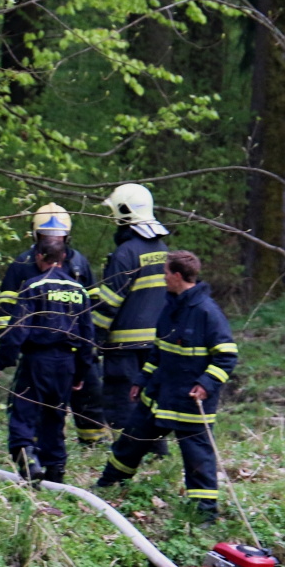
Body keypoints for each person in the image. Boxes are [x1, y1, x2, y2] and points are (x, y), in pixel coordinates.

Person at [94, 251, 237, 522]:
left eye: (166, 273)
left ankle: (204, 515)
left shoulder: (208, 312)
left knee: (198, 460)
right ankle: (108, 485)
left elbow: (227, 355)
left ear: (178, 276)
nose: (163, 278)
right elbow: (158, 352)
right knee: (131, 441)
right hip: (158, 396)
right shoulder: (169, 307)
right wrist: (141, 380)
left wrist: (206, 384)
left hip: (190, 403)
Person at [0, 203, 106, 446]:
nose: (54, 241)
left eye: (59, 238)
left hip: (75, 350)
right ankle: (37, 450)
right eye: (48, 237)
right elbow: (6, 308)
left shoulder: (79, 264)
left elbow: (93, 307)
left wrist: (91, 347)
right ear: (37, 237)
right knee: (34, 403)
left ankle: (92, 444)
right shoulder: (22, 265)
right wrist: (9, 345)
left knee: (88, 395)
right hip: (37, 352)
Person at [0, 236, 94, 484]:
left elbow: (18, 330)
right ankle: (55, 471)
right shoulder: (79, 291)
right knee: (55, 417)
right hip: (66, 365)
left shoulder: (33, 286)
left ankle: (28, 464)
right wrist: (81, 373)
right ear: (63, 259)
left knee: (24, 413)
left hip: (38, 361)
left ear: (39, 257)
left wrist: (0, 362)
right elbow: (88, 336)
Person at [91, 184, 171, 436]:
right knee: (150, 398)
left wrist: (93, 336)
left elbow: (109, 302)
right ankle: (156, 449)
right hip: (156, 343)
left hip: (124, 345)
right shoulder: (161, 249)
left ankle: (126, 454)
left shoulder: (125, 253)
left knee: (123, 401)